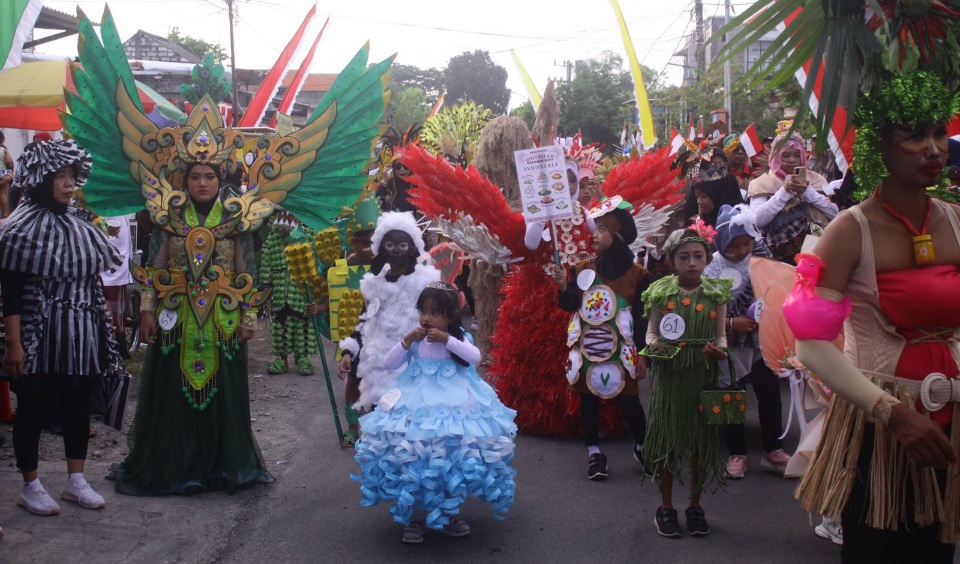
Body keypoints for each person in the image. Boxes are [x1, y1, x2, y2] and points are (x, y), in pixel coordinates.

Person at [790, 71, 960, 563]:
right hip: (879, 436)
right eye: (913, 136)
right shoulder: (848, 230)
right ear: (878, 148)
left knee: (935, 554)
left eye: (937, 133)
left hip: (950, 426)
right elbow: (810, 345)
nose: (932, 148)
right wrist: (893, 412)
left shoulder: (954, 219)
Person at [109, 162, 275, 496]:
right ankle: (177, 467)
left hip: (222, 322)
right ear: (184, 181)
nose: (202, 183)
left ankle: (220, 467)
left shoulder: (235, 219)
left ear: (220, 180)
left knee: (221, 397)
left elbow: (247, 273)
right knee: (174, 398)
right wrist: (145, 311)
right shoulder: (168, 217)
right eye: (195, 177)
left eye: (209, 177)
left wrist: (249, 319)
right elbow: (154, 269)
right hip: (176, 322)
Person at [0, 140, 124, 514]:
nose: (69, 183)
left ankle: (76, 480)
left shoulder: (80, 224)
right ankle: (30, 484)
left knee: (77, 405)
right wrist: (14, 344)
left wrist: (105, 329)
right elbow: (12, 291)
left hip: (81, 332)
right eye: (60, 176)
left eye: (72, 176)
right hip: (38, 334)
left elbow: (93, 284)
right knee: (32, 406)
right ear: (41, 179)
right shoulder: (19, 230)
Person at [353, 282, 517, 544]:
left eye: (435, 312)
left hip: (455, 407)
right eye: (423, 311)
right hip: (416, 404)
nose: (426, 318)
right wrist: (407, 340)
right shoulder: (415, 340)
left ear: (451, 316)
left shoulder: (458, 336)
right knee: (416, 458)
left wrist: (448, 340)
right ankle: (415, 516)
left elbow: (475, 357)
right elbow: (389, 363)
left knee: (450, 457)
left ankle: (450, 513)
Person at [642, 226, 731, 538]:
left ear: (707, 258)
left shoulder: (716, 293)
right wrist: (655, 348)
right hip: (669, 380)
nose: (692, 262)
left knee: (698, 445)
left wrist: (720, 351)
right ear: (671, 260)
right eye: (684, 257)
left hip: (702, 379)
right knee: (667, 443)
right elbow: (651, 333)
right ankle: (665, 507)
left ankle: (695, 505)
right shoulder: (661, 292)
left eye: (698, 256)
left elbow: (721, 336)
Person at [552, 196, 650, 479]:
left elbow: (643, 319)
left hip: (623, 350)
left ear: (617, 234)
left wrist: (642, 354)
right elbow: (571, 304)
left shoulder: (638, 275)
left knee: (630, 401)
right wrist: (562, 287)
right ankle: (594, 453)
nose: (595, 235)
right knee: (588, 401)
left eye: (602, 230)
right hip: (589, 347)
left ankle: (642, 447)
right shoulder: (584, 269)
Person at [702, 204, 789, 479]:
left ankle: (773, 449)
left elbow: (776, 289)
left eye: (746, 243)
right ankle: (737, 452)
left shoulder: (761, 259)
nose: (741, 251)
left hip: (761, 340)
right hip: (729, 343)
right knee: (731, 396)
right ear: (722, 243)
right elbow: (704, 309)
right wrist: (730, 324)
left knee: (770, 393)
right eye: (734, 245)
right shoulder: (713, 267)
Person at [338, 211, 441, 411]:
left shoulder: (426, 282)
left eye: (402, 246)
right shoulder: (375, 283)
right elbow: (365, 320)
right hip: (380, 362)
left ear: (412, 249)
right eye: (390, 246)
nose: (396, 251)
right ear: (382, 249)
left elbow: (443, 321)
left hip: (416, 361)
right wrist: (348, 351)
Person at [747, 122, 838, 264]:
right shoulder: (761, 183)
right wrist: (785, 192)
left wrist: (808, 193)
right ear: (776, 158)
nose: (792, 160)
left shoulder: (817, 179)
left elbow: (836, 213)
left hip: (817, 255)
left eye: (797, 155)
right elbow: (757, 220)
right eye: (786, 155)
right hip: (777, 261)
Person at [0, 130, 14, 218]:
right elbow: (9, 163)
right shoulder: (4, 150)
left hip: (5, 178)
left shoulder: (5, 149)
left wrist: (9, 177)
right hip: (2, 173)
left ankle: (5, 214)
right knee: (2, 194)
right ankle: (5, 213)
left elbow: (11, 167)